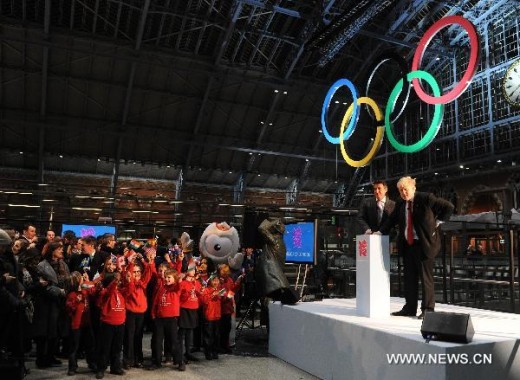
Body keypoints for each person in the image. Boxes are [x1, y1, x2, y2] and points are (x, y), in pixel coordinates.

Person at [376, 176, 454, 319]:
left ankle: (428, 310)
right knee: (409, 279)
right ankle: (409, 308)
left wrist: (437, 222)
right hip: (408, 245)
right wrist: (380, 232)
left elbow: (448, 207)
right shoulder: (400, 203)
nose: (403, 192)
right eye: (400, 190)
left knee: (426, 279)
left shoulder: (426, 198)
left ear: (413, 188)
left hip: (424, 245)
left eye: (406, 189)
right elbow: (391, 220)